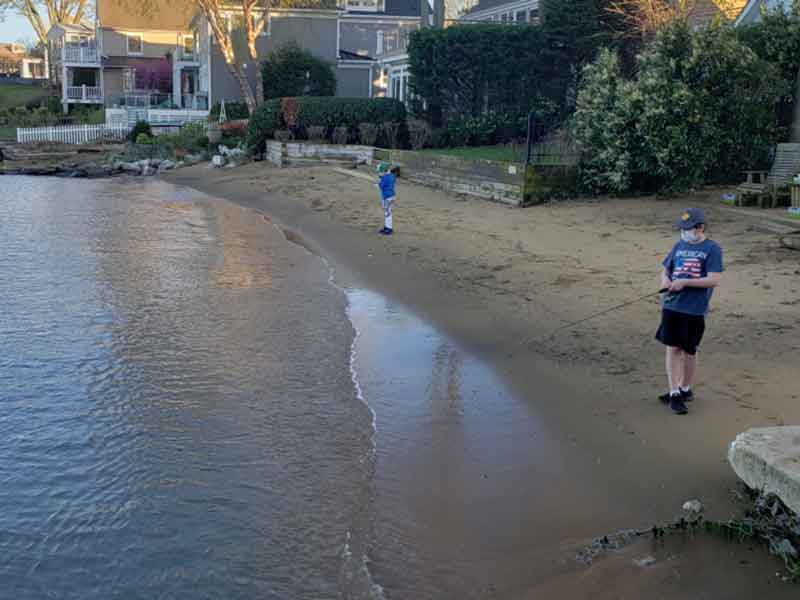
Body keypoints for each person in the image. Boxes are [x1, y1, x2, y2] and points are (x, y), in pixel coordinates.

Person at [656, 208, 723, 415]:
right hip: (672, 305)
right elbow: (666, 270)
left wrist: (685, 282)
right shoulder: (679, 245)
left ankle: (685, 388)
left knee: (689, 349)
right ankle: (674, 392)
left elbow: (714, 279)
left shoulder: (712, 249)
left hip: (694, 309)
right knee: (672, 348)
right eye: (683, 228)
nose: (684, 232)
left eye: (688, 228)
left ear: (700, 227)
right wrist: (666, 282)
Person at [376, 162, 397, 235]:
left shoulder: (384, 178)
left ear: (384, 171)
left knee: (387, 213)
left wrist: (378, 184)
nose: (379, 173)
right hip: (392, 196)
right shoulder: (392, 176)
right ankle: (387, 227)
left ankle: (388, 229)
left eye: (380, 171)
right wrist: (380, 179)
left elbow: (381, 186)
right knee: (388, 212)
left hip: (386, 197)